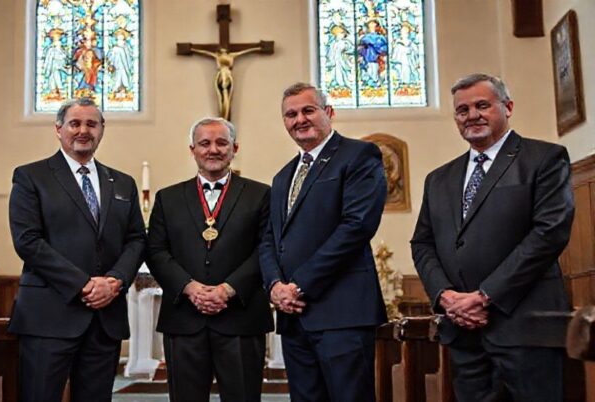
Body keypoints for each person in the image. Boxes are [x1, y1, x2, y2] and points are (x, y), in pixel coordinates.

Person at [411, 73, 574, 402]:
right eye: (462, 110)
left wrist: (485, 295)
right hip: (464, 332)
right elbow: (422, 243)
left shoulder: (544, 159)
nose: (472, 115)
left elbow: (549, 233)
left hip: (525, 327)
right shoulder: (439, 179)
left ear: (508, 107)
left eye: (482, 105)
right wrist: (445, 296)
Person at [8, 98, 146, 402]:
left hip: (104, 317)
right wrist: (83, 284)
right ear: (58, 129)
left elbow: (137, 239)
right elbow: (28, 241)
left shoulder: (122, 183)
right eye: (75, 123)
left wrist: (115, 281)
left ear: (102, 130)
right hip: (49, 315)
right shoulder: (32, 176)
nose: (83, 130)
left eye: (91, 124)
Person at [259, 82, 388, 402]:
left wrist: (299, 285)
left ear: (329, 112)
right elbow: (270, 238)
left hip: (342, 313)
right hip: (294, 317)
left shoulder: (358, 155)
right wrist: (274, 285)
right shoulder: (283, 176)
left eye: (308, 110)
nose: (299, 119)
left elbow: (356, 227)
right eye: (291, 115)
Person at [147, 117, 273, 402]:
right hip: (184, 319)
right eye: (204, 143)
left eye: (221, 143)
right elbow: (155, 251)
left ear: (234, 148)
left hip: (241, 317)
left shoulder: (261, 194)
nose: (213, 149)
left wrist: (227, 290)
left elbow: (266, 249)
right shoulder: (168, 198)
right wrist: (190, 288)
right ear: (192, 149)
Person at [189, 45, 264, 121]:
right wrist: (192, 49)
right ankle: (223, 111)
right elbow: (206, 52)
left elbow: (244, 52)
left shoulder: (232, 55)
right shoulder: (217, 56)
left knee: (227, 93)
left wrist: (257, 48)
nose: (223, 50)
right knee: (221, 92)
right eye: (221, 50)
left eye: (224, 50)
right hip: (221, 74)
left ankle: (226, 112)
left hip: (228, 74)